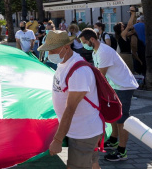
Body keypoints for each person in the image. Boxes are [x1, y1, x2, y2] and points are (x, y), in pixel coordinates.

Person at [38, 31, 103, 169]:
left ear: (66, 47)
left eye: (52, 50)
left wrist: (57, 140)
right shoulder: (64, 62)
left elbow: (70, 108)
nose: (49, 54)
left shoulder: (79, 72)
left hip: (83, 133)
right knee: (92, 164)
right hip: (78, 129)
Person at [79, 29, 139, 161]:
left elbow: (100, 76)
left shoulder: (104, 52)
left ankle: (122, 151)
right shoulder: (96, 51)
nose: (84, 45)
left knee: (122, 119)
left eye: (85, 42)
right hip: (115, 86)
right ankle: (113, 141)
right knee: (113, 114)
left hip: (123, 86)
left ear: (92, 40)